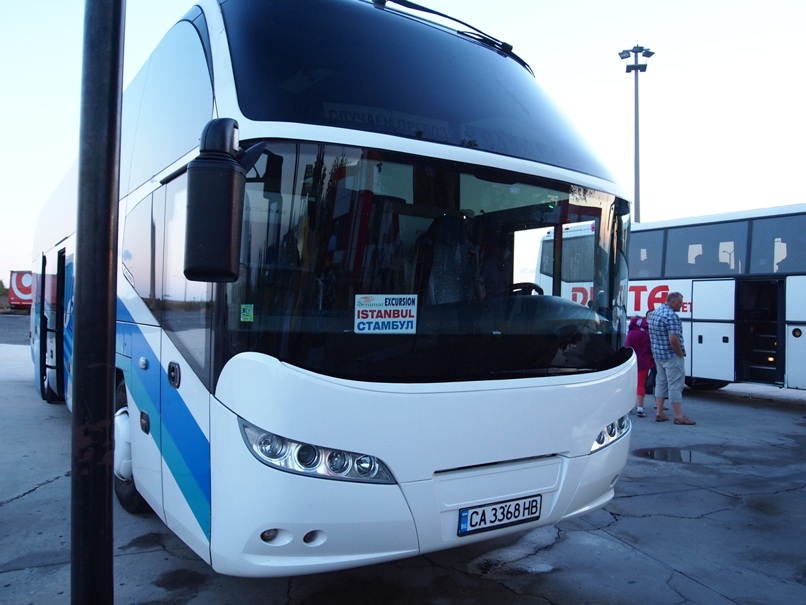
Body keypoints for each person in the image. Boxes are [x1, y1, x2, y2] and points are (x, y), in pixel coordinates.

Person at [648, 292, 696, 425]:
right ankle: (679, 416)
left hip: (658, 355)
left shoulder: (655, 313)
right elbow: (673, 339)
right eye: (680, 303)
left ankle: (659, 413)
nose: (681, 305)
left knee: (661, 382)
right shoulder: (671, 316)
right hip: (671, 356)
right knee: (675, 385)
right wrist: (680, 353)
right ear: (672, 302)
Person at [625, 315, 655, 417]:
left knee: (630, 385)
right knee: (640, 384)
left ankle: (628, 407)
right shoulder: (648, 334)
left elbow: (627, 348)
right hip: (644, 362)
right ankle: (640, 408)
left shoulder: (631, 334)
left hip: (631, 362)